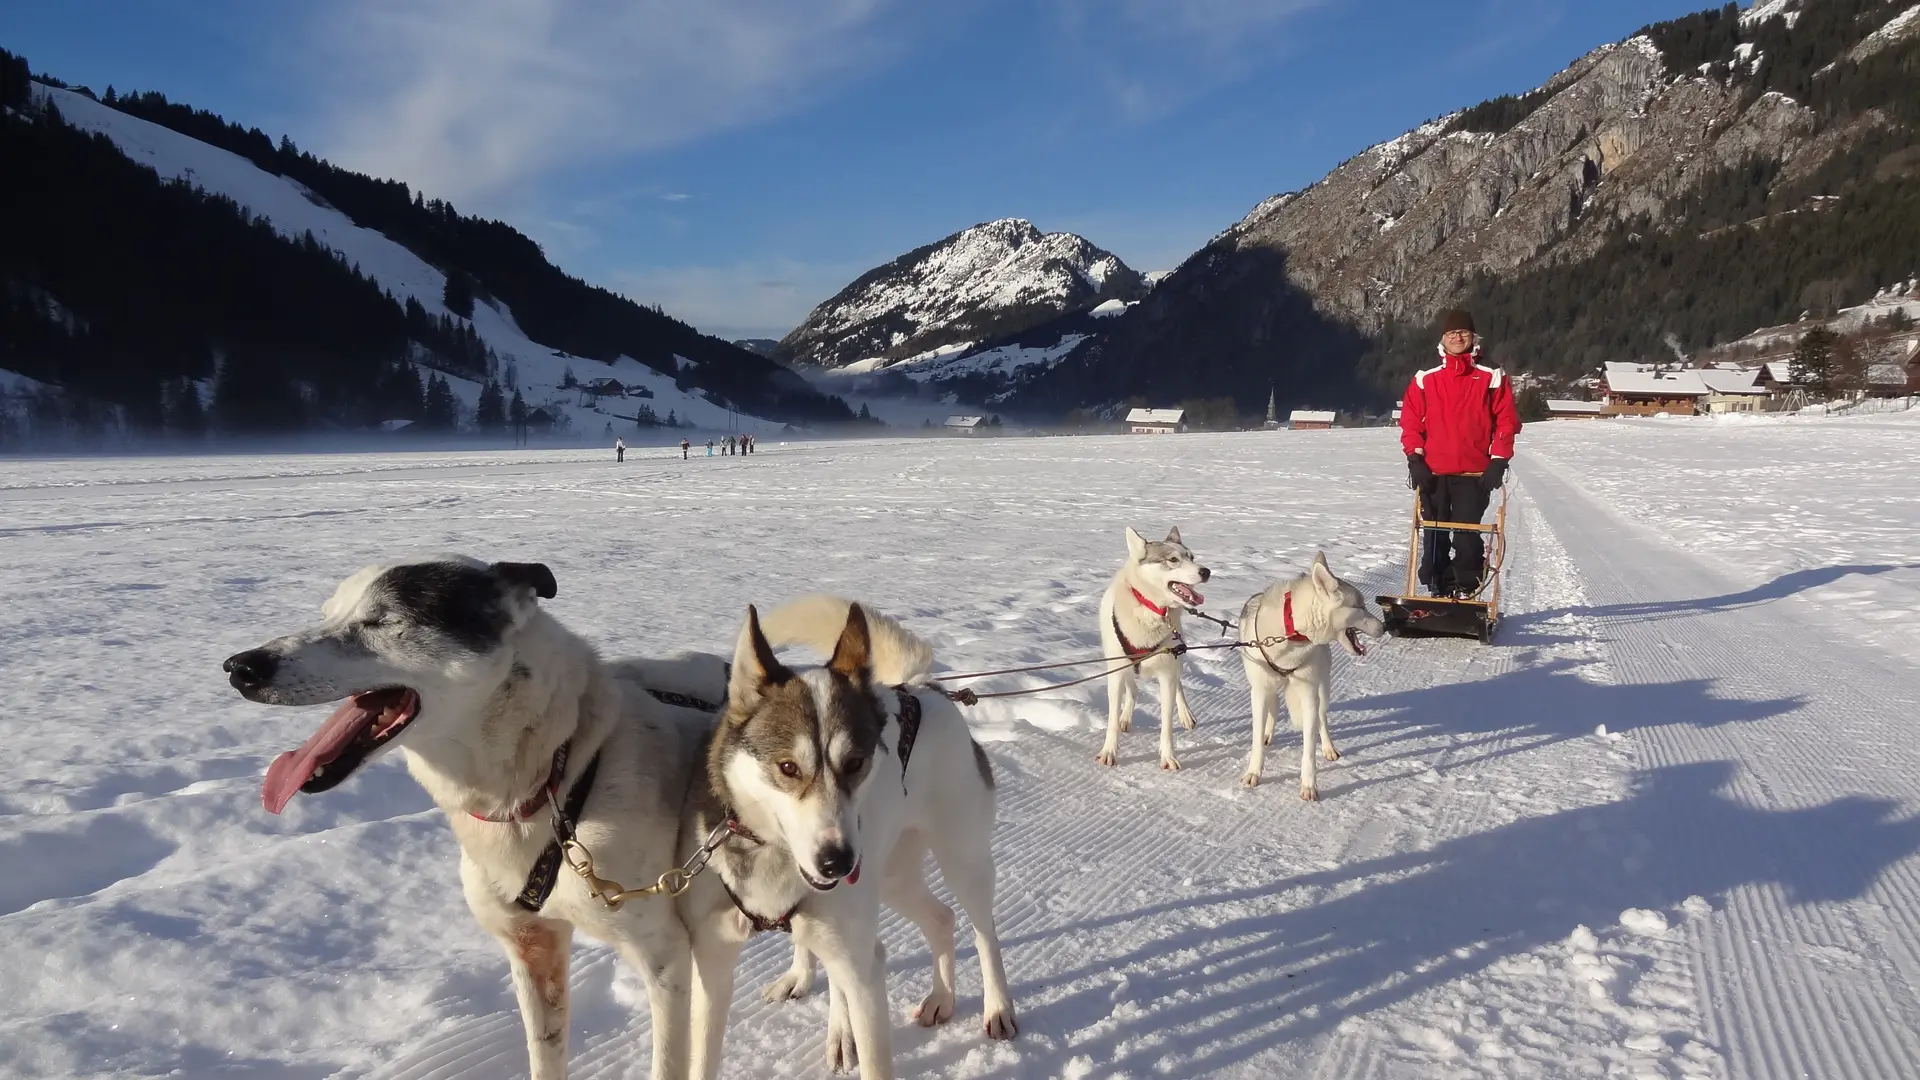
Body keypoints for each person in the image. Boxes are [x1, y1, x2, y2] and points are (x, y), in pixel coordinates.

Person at [1399, 308, 1521, 598]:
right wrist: (1414, 458)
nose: (1457, 337)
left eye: (1463, 333)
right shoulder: (1426, 376)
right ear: (1443, 337)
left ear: (1473, 337)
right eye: (1452, 333)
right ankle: (1438, 585)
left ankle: (1465, 586)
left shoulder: (1491, 374)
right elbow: (1411, 419)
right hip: (1433, 471)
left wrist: (1498, 460)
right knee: (1435, 533)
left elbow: (1506, 420)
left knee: (1466, 533)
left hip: (1474, 472)